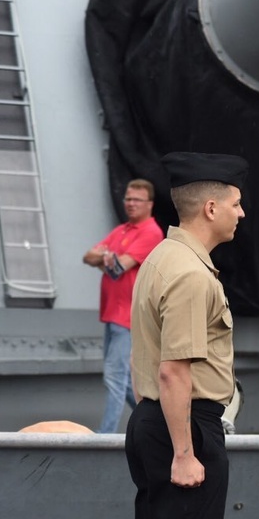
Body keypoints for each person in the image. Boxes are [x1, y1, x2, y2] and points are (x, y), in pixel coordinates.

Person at [124, 152, 247, 519]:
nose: (243, 213)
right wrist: (184, 454)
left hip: (154, 418)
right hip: (186, 427)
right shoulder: (193, 275)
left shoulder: (161, 256)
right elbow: (175, 371)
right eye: (237, 204)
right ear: (211, 208)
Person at [82, 179, 163, 433]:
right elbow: (88, 256)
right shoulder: (123, 230)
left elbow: (117, 268)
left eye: (136, 200)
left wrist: (105, 257)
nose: (130, 204)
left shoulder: (151, 232)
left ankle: (104, 437)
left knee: (114, 377)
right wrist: (107, 258)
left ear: (149, 204)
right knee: (126, 383)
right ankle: (159, 425)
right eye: (127, 198)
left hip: (127, 317)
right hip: (112, 315)